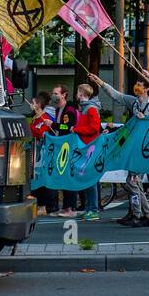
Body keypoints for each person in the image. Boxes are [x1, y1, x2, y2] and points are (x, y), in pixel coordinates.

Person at [91, 74, 149, 227]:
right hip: (134, 149)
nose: (136, 86)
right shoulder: (134, 103)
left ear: (147, 89)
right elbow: (117, 95)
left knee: (132, 181)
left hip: (146, 151)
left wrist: (146, 121)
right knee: (134, 182)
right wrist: (101, 81)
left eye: (140, 84)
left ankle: (138, 214)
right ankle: (148, 215)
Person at [73, 83, 103, 220]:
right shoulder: (85, 109)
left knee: (90, 179)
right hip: (87, 147)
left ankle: (93, 209)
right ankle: (90, 207)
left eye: (78, 92)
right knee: (89, 179)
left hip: (90, 148)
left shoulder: (90, 109)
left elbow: (94, 128)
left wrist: (77, 129)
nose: (77, 95)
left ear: (81, 94)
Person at [50, 85, 80, 217]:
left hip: (68, 146)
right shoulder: (58, 109)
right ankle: (65, 206)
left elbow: (67, 127)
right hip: (61, 146)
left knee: (68, 177)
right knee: (63, 176)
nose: (54, 95)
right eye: (53, 93)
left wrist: (53, 125)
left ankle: (71, 207)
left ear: (64, 95)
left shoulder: (69, 110)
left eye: (56, 93)